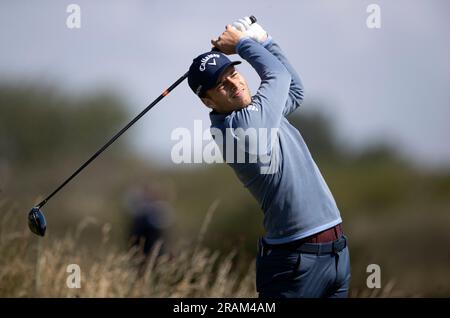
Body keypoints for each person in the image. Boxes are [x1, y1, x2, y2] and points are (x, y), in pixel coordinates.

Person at [187, 16, 351, 298]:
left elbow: (295, 92)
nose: (235, 84)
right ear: (208, 101)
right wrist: (244, 44)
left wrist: (266, 42)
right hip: (294, 263)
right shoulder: (241, 129)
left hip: (336, 255)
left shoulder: (262, 114)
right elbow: (278, 76)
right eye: (222, 85)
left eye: (233, 74)